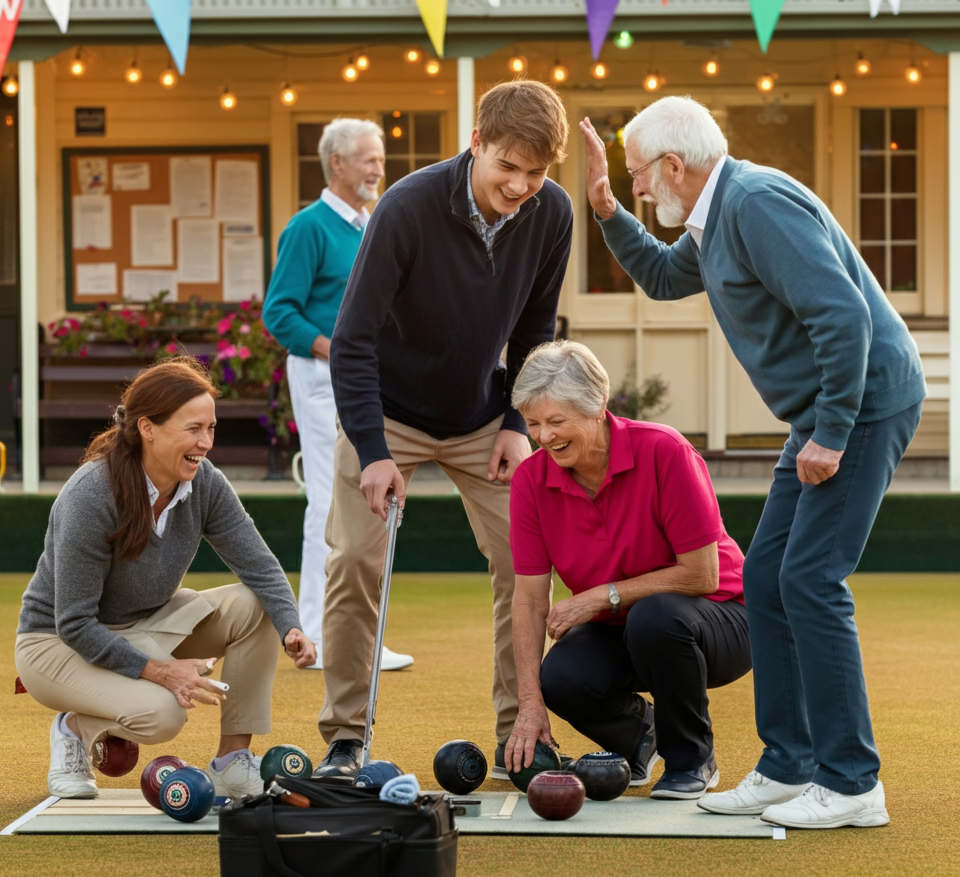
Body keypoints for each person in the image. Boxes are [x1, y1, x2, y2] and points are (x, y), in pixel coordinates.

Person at [581, 96, 926, 828]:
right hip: (821, 414)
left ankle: (853, 782)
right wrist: (611, 212)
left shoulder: (757, 203)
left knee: (809, 577)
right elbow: (667, 279)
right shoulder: (713, 219)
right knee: (767, 574)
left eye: (639, 175)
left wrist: (830, 433)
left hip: (861, 404)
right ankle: (787, 766)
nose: (641, 186)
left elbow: (842, 314)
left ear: (674, 165)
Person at [313, 80, 573, 780]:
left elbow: (534, 330)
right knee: (356, 565)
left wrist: (518, 422)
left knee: (525, 565)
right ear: (476, 145)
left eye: (536, 173)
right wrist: (371, 451)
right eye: (507, 168)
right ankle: (344, 739)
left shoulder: (552, 214)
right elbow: (354, 338)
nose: (520, 186)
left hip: (483, 420)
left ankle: (523, 731)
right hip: (387, 415)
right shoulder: (406, 208)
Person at [15, 357, 316, 801]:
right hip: (56, 644)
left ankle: (232, 763)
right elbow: (75, 624)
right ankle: (73, 727)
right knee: (163, 715)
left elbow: (259, 564)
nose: (206, 442)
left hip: (147, 622)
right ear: (147, 428)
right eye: (193, 428)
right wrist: (160, 672)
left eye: (211, 428)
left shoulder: (204, 482)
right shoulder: (91, 494)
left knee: (257, 606)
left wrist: (291, 625)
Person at [504, 341, 751, 797]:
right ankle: (641, 740)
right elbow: (530, 598)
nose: (543, 436)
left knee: (655, 617)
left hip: (722, 618)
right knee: (560, 676)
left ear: (597, 406)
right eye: (533, 423)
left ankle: (692, 759)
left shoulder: (665, 451)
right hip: (626, 626)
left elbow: (703, 575)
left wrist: (601, 596)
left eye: (556, 421)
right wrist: (530, 703)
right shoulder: (531, 481)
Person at [262, 118, 412, 672]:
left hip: (370, 377)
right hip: (324, 379)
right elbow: (279, 312)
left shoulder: (371, 225)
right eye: (369, 159)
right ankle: (319, 637)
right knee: (331, 501)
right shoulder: (309, 228)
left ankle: (361, 637)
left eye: (380, 158)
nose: (379, 168)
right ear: (338, 165)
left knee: (369, 500)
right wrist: (337, 350)